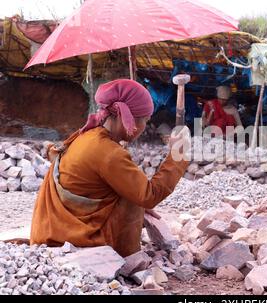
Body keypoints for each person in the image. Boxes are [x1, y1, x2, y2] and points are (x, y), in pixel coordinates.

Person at [30, 79, 190, 257]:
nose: (144, 128)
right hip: (70, 240)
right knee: (134, 199)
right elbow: (149, 196)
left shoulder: (88, 135)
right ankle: (128, 258)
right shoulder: (109, 153)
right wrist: (179, 154)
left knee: (131, 189)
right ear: (127, 119)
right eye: (144, 120)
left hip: (52, 229)